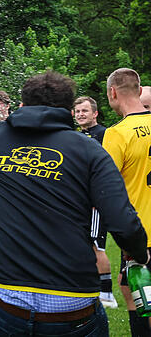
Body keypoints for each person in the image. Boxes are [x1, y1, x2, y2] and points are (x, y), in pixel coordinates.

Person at [0, 70, 148, 337]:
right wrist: (139, 253)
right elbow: (123, 222)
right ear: (70, 111)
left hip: (4, 299)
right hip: (71, 301)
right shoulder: (89, 150)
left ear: (21, 105)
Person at [102, 68, 151, 336]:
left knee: (142, 301)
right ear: (141, 90)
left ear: (112, 93)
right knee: (126, 284)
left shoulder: (117, 134)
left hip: (140, 233)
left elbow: (105, 185)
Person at [72, 96, 117, 309]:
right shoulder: (77, 136)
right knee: (82, 245)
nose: (80, 114)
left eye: (85, 111)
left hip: (96, 202)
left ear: (95, 113)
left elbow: (107, 170)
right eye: (77, 111)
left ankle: (107, 294)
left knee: (97, 245)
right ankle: (88, 287)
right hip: (79, 201)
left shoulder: (106, 135)